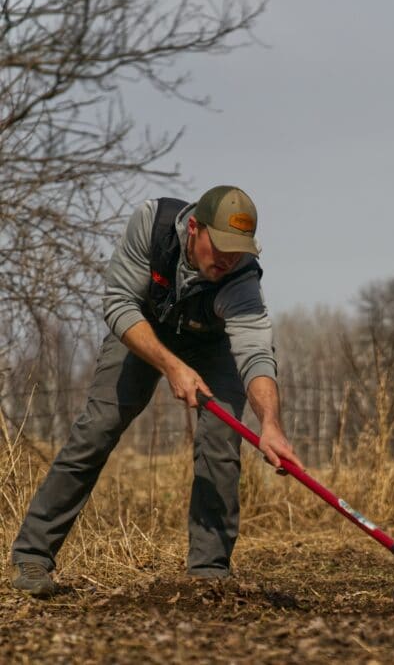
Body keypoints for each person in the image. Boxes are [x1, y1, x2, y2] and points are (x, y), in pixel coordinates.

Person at [10, 186, 303, 597]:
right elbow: (118, 303)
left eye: (238, 251)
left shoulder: (240, 275)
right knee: (99, 427)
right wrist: (171, 366)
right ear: (195, 228)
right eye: (220, 246)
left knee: (222, 437)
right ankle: (33, 555)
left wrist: (271, 424)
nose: (227, 259)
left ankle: (209, 573)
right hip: (141, 326)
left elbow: (254, 351)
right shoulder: (154, 225)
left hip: (210, 343)